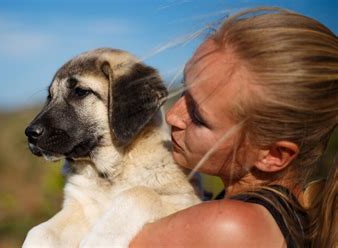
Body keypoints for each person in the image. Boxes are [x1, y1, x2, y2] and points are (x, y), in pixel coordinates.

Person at [130, 7, 337, 248]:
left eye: (198, 116)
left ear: (273, 155)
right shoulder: (291, 219)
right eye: (185, 89)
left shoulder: (231, 225)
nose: (173, 116)